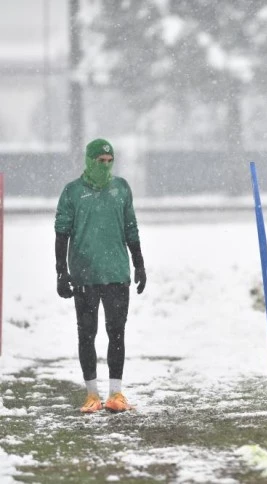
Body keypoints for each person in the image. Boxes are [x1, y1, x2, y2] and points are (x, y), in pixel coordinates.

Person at [55, 138, 147, 414]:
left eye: (109, 161)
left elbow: (131, 228)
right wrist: (61, 271)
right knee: (87, 334)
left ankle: (115, 393)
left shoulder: (121, 189)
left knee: (116, 333)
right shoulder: (72, 192)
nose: (105, 166)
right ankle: (91, 395)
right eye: (100, 161)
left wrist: (139, 263)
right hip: (85, 276)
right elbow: (61, 233)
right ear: (89, 160)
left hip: (117, 274)